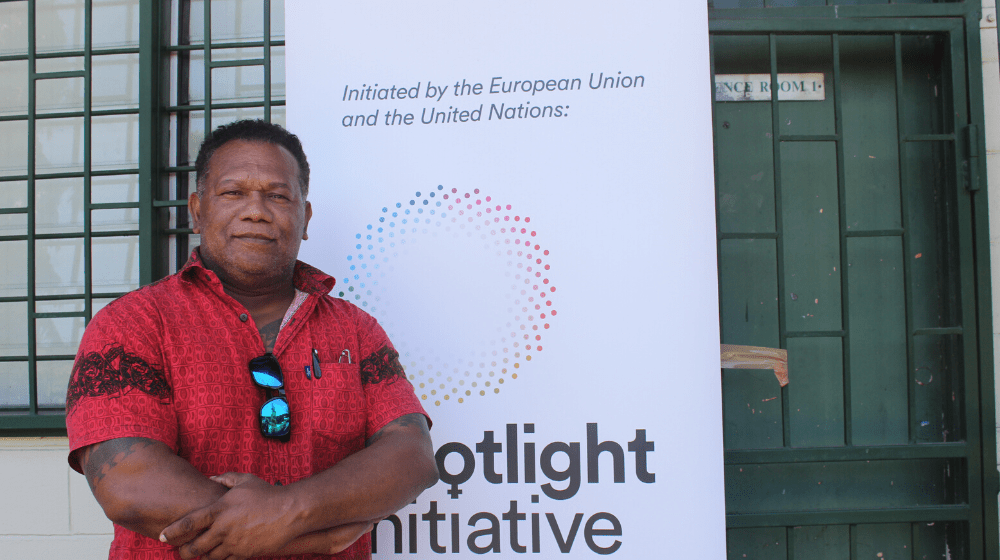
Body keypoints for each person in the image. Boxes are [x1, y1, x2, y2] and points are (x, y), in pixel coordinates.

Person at [65, 119, 438, 560]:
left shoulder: (355, 330)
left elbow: (411, 456)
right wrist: (318, 535)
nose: (257, 211)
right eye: (233, 193)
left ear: (305, 217)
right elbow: (126, 482)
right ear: (197, 209)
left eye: (278, 196)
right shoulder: (133, 324)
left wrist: (289, 511)